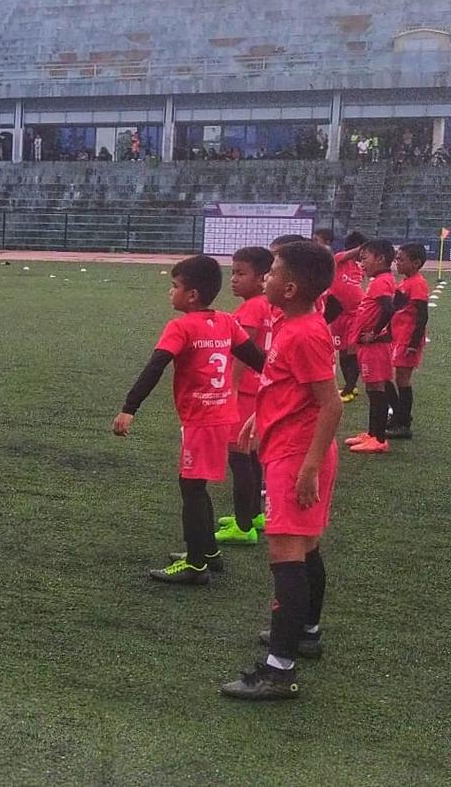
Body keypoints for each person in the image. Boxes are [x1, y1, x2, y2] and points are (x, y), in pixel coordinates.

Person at [220, 240, 341, 701]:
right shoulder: (292, 324)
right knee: (306, 548)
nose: (264, 278)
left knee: (286, 556)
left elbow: (329, 405)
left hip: (296, 457)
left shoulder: (305, 332)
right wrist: (259, 414)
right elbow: (286, 385)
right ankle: (305, 632)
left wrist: (308, 467)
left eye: (270, 273)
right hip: (288, 448)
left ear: (289, 287)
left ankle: (278, 669)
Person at [113, 255, 265, 584]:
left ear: (192, 295)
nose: (171, 293)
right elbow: (257, 358)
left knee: (192, 487)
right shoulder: (226, 321)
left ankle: (196, 564)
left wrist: (129, 408)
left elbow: (156, 366)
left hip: (201, 419)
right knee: (196, 486)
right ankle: (209, 551)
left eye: (174, 286)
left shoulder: (180, 326)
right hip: (224, 413)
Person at [216, 246, 275, 547]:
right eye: (233, 273)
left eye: (241, 273)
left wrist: (233, 385)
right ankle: (253, 515)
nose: (234, 279)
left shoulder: (251, 308)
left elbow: (243, 349)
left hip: (245, 390)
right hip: (258, 387)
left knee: (238, 456)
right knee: (251, 453)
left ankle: (242, 526)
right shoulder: (265, 304)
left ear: (262, 277)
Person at [345, 239, 396, 454]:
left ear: (381, 259)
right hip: (369, 346)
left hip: (374, 347)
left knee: (376, 390)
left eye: (364, 259)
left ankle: (379, 438)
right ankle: (372, 433)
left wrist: (375, 333)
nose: (361, 264)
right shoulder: (379, 280)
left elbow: (389, 309)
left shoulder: (382, 281)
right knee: (372, 389)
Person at [386, 243, 430, 440]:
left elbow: (422, 315)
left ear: (416, 263)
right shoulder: (406, 282)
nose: (397, 262)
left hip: (407, 339)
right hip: (400, 337)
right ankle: (400, 418)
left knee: (403, 379)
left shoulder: (418, 283)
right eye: (397, 259)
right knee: (399, 378)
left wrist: (413, 343)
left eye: (401, 259)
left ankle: (403, 423)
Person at [322, 232, 368, 403]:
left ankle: (349, 387)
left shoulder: (359, 267)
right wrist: (366, 247)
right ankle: (351, 386)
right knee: (342, 350)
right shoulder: (339, 259)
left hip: (356, 315)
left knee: (351, 350)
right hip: (338, 315)